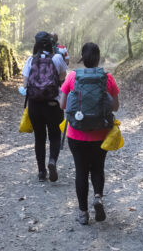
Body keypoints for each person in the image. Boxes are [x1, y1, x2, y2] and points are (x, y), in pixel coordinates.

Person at [60, 42, 120, 225]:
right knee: (98, 167)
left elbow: (63, 105)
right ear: (98, 58)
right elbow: (116, 106)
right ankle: (98, 197)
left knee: (81, 171)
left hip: (76, 133)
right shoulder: (107, 78)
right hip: (101, 133)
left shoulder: (72, 77)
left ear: (82, 58)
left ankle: (83, 213)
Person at [22, 31, 68, 182]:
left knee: (39, 138)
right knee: (55, 135)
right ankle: (52, 161)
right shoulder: (57, 58)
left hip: (35, 105)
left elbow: (25, 85)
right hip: (53, 104)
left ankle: (41, 172)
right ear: (51, 43)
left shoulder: (30, 60)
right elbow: (62, 78)